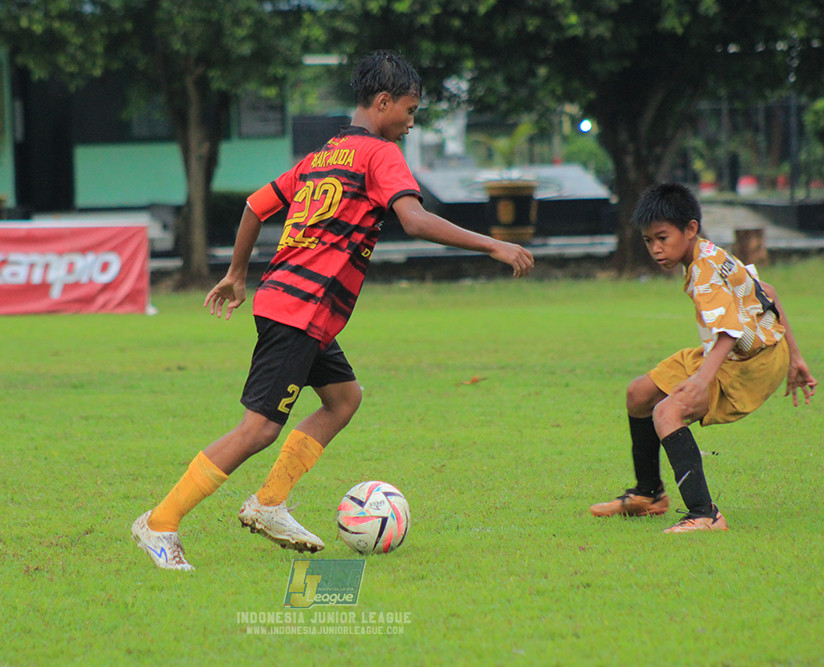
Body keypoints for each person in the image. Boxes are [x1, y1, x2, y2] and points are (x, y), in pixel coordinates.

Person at [132, 50, 535, 571]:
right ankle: (161, 522)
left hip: (300, 306)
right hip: (300, 307)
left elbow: (256, 205)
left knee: (344, 399)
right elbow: (412, 220)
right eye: (410, 111)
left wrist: (237, 274)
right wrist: (494, 246)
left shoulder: (327, 153)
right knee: (257, 429)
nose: (412, 124)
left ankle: (269, 503)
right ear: (384, 102)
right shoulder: (380, 154)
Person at [590, 183, 816, 533]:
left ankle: (705, 515)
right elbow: (766, 291)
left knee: (668, 412)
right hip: (738, 350)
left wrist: (702, 380)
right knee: (639, 394)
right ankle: (649, 495)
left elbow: (729, 329)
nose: (656, 248)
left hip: (750, 361)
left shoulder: (706, 269)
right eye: (649, 240)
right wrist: (797, 357)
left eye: (663, 238)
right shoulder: (707, 253)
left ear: (691, 228)